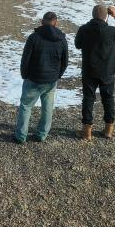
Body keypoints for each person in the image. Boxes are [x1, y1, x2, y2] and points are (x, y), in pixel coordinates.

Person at [74, 4, 115, 140]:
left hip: (89, 70)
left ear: (93, 15)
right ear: (106, 17)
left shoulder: (83, 29)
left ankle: (87, 131)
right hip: (107, 71)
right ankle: (108, 130)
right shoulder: (111, 31)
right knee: (108, 98)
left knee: (88, 99)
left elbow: (77, 45)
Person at [14, 11, 69, 144]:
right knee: (47, 108)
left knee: (26, 106)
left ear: (42, 22)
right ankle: (42, 134)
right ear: (56, 23)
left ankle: (21, 136)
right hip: (51, 80)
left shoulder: (34, 37)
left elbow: (25, 59)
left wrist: (24, 74)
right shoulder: (61, 39)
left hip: (33, 79)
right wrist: (57, 75)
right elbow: (65, 61)